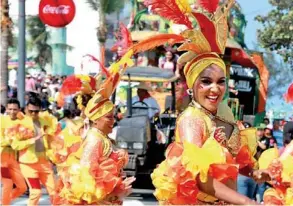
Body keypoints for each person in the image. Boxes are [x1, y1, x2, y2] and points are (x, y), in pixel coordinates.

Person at [148, 1, 271, 204]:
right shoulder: (192, 120)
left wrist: (255, 173)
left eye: (221, 82)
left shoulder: (223, 113)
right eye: (206, 82)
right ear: (192, 86)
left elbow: (236, 159)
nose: (215, 89)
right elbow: (201, 178)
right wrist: (247, 201)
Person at [59, 46, 135, 205]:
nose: (113, 120)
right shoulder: (94, 139)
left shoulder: (101, 137)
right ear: (96, 118)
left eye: (113, 117)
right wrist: (108, 194)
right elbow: (86, 175)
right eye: (109, 117)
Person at [10, 96, 57, 205]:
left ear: (40, 109)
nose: (33, 114)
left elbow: (53, 138)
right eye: (31, 111)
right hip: (28, 164)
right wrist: (32, 140)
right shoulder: (20, 124)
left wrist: (54, 155)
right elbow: (15, 145)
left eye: (36, 111)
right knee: (35, 192)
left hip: (44, 163)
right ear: (26, 109)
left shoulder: (45, 120)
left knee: (54, 192)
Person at [0, 99, 28, 205]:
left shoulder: (22, 122)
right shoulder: (1, 120)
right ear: (6, 109)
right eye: (10, 109)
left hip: (15, 159)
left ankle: (4, 201)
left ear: (19, 110)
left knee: (22, 187)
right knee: (8, 183)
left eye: (15, 109)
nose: (12, 111)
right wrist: (12, 140)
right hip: (2, 158)